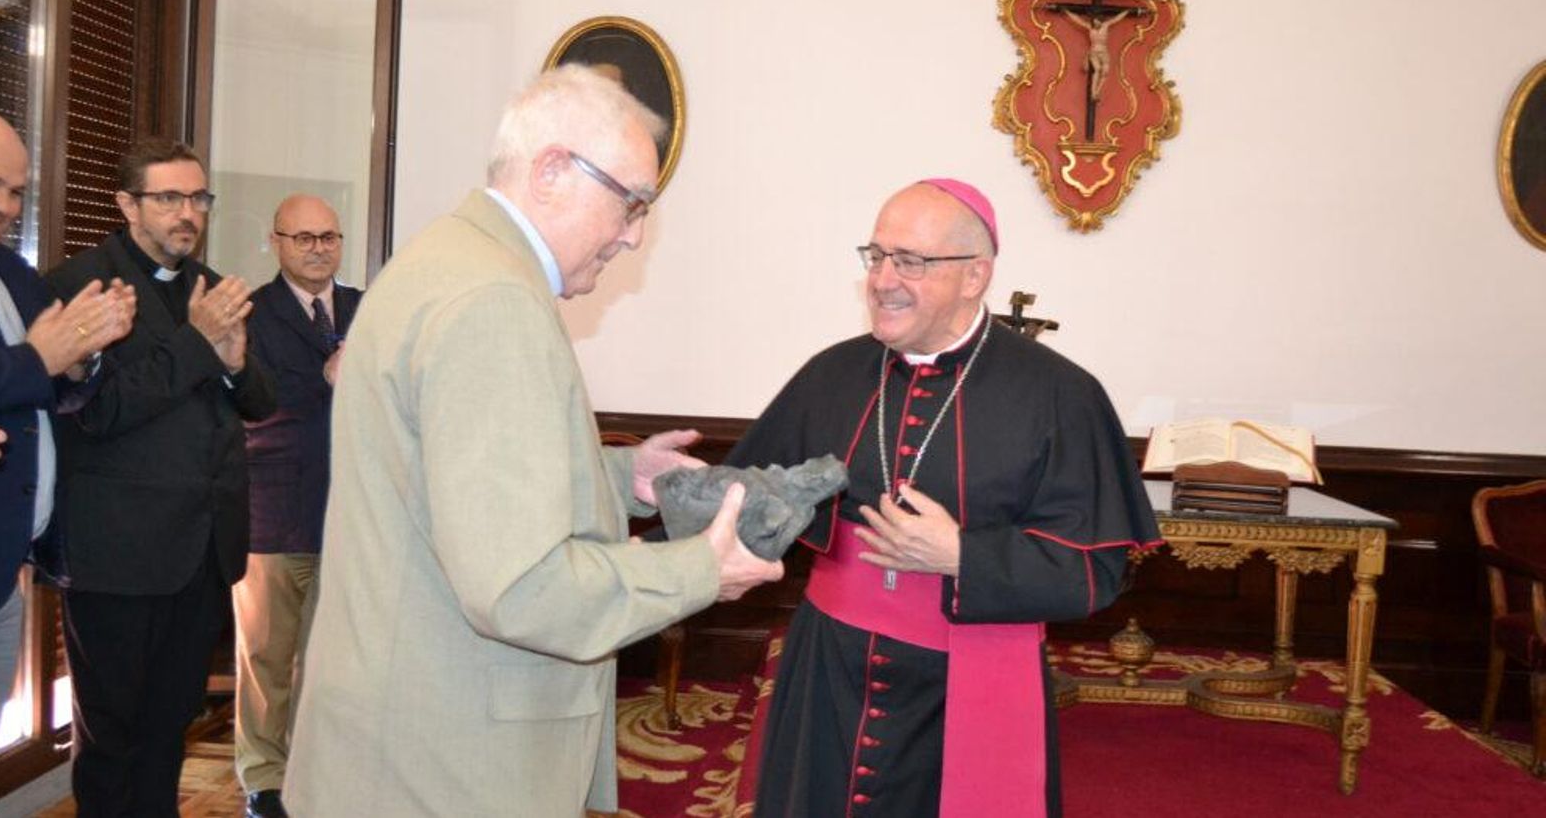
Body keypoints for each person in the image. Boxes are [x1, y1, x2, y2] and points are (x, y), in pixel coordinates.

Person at [284, 64, 784, 817]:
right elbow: (521, 590)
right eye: (631, 204)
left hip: (400, 731)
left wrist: (620, 475)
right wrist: (698, 572)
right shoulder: (495, 302)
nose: (634, 235)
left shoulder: (447, 260)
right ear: (553, 170)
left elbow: (442, 473)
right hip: (448, 762)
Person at [730, 179, 1161, 817]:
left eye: (911, 261)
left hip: (969, 678)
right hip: (830, 671)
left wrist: (966, 555)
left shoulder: (1059, 395)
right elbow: (747, 492)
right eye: (875, 256)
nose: (883, 279)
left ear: (975, 276)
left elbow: (1096, 572)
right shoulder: (831, 375)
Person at [46, 138, 276, 816]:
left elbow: (259, 402)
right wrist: (199, 345)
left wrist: (233, 361)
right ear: (127, 204)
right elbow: (100, 411)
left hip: (200, 550)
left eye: (198, 198)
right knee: (112, 732)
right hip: (116, 555)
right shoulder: (80, 284)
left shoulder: (207, 284)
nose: (188, 213)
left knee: (169, 724)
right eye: (169, 198)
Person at [0, 105, 135, 818]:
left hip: (2, 576)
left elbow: (55, 388)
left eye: (17, 190)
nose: (5, 205)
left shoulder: (9, 271)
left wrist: (82, 358)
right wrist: (41, 358)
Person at [232, 194, 361, 818]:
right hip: (273, 512)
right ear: (276, 241)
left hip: (348, 517)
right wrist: (326, 378)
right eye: (304, 237)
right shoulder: (251, 313)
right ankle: (264, 779)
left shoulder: (366, 308)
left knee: (330, 661)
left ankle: (316, 774)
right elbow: (251, 402)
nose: (318, 249)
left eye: (328, 237)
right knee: (266, 660)